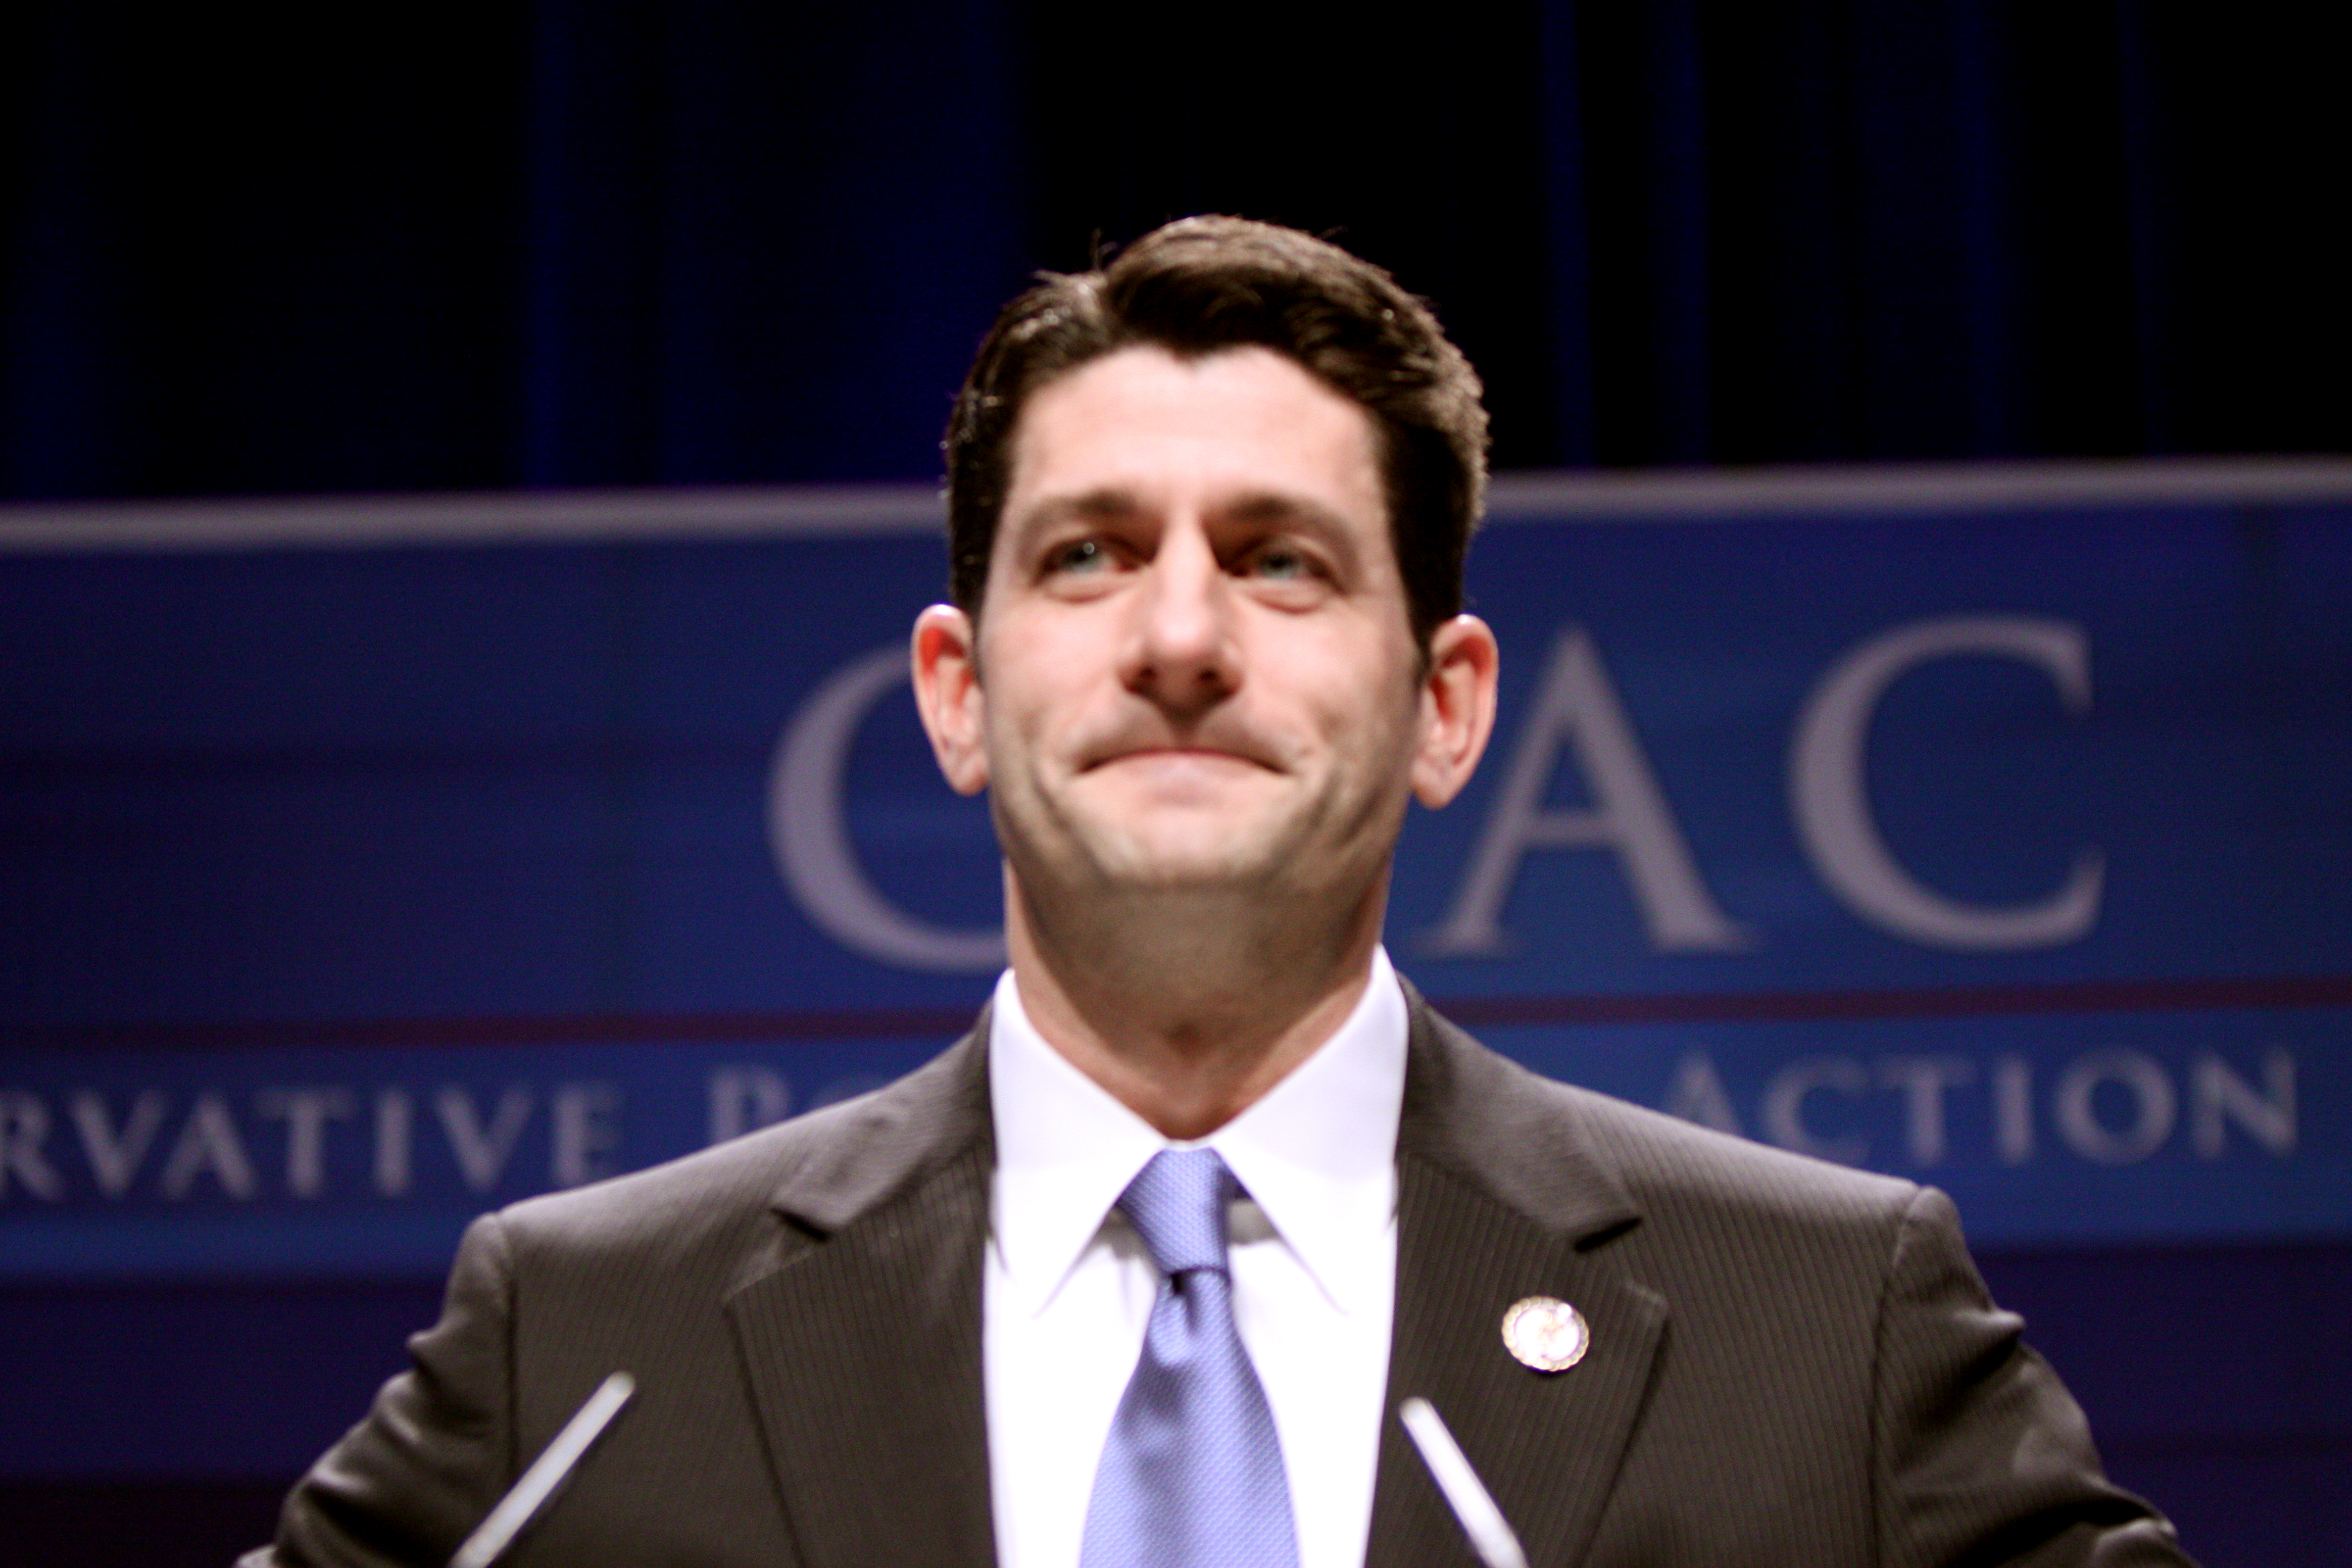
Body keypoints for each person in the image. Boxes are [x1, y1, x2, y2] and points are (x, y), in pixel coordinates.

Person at [244, 217, 2192, 1568]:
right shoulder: (588, 1343)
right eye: (1090, 556)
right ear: (957, 693)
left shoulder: (1825, 1328)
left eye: (1281, 563)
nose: (1180, 637)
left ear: (1445, 707)